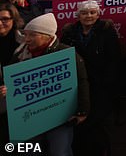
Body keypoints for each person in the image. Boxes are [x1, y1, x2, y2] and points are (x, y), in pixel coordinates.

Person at [8, 13, 90, 155]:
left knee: (59, 151)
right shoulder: (20, 55)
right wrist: (5, 89)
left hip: (60, 117)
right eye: (25, 34)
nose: (27, 39)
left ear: (48, 36)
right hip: (30, 116)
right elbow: (11, 82)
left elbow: (82, 82)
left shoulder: (66, 54)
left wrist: (83, 111)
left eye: (33, 35)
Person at [61, 0, 119, 156]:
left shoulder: (107, 31)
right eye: (85, 13)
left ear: (98, 14)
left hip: (100, 84)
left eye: (92, 12)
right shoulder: (69, 33)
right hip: (78, 84)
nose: (89, 16)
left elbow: (113, 58)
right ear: (78, 15)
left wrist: (108, 81)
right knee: (81, 125)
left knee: (100, 124)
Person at [0, 3, 23, 146]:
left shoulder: (25, 42)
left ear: (13, 20)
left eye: (5, 19)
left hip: (21, 104)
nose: (0, 23)